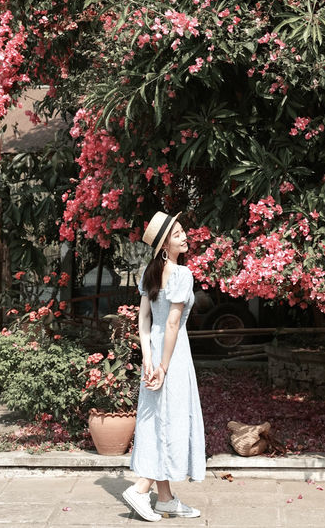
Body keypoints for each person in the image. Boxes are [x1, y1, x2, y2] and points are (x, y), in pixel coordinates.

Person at [122, 211, 205, 521]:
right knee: (170, 421)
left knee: (159, 420)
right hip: (174, 352)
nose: (184, 236)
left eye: (183, 231)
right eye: (177, 234)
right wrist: (164, 366)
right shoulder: (183, 274)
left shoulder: (150, 272)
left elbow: (144, 319)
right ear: (164, 245)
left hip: (156, 349)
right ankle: (141, 488)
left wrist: (148, 357)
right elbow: (171, 323)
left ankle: (166, 498)